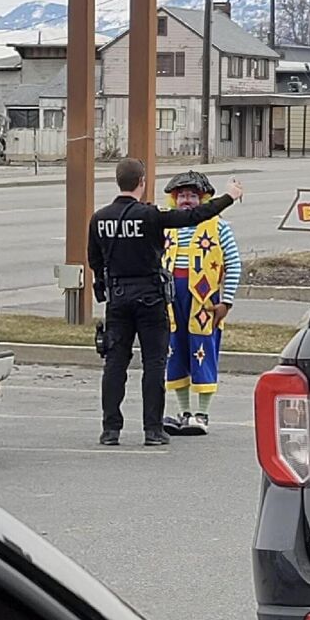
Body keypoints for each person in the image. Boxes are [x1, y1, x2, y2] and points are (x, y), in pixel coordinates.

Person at [87, 158, 243, 447]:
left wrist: (104, 290)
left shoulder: (100, 218)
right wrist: (229, 197)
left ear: (118, 181)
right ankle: (153, 430)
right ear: (142, 182)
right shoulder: (151, 215)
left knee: (115, 365)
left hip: (118, 299)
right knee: (155, 363)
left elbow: (95, 260)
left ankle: (110, 430)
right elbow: (195, 217)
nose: (185, 199)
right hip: (151, 298)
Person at [162, 171, 242, 436]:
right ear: (175, 199)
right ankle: (183, 412)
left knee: (203, 351)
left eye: (193, 196)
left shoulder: (218, 227)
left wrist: (226, 302)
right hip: (172, 300)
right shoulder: (167, 226)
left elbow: (233, 264)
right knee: (175, 352)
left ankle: (202, 413)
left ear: (203, 198)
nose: (187, 201)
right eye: (182, 196)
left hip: (205, 302)